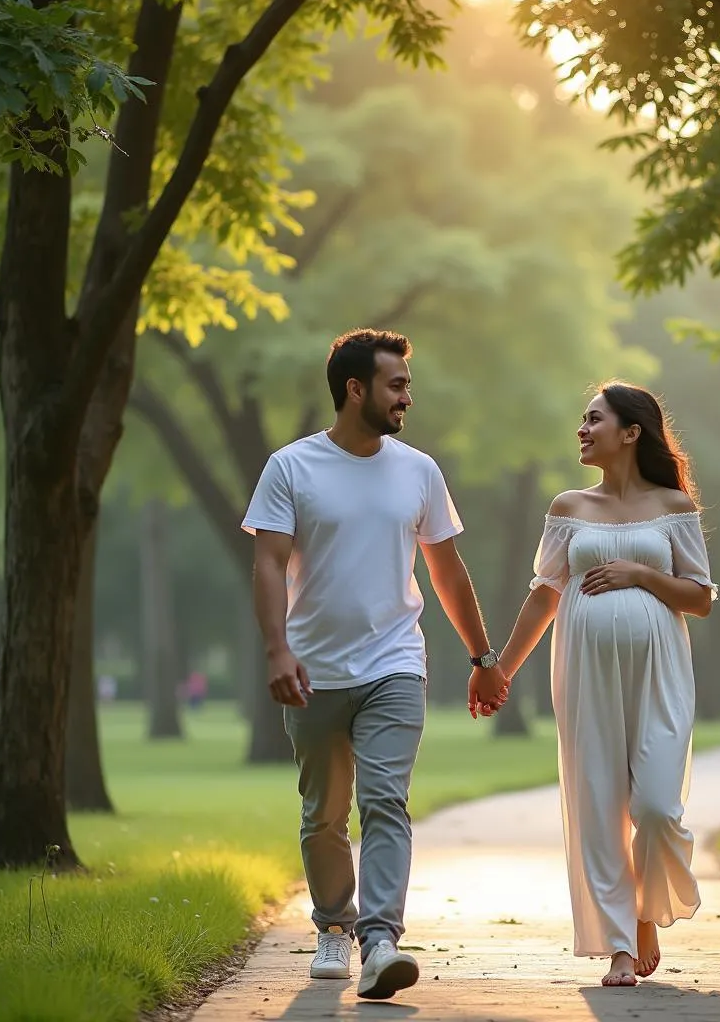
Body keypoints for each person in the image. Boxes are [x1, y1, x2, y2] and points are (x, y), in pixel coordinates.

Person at [242, 328, 508, 1000]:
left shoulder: (418, 470)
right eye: (397, 385)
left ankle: (381, 939)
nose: (407, 398)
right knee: (324, 815)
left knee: (385, 801)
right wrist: (276, 649)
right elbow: (269, 564)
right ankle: (334, 926)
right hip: (313, 671)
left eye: (407, 386)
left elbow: (446, 571)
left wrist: (483, 656)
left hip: (394, 662)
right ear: (355, 388)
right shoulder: (291, 468)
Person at [496, 382, 716, 988]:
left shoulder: (674, 505)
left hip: (659, 675)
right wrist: (501, 670)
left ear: (631, 431)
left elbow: (699, 598)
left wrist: (640, 573)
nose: (582, 429)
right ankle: (621, 943)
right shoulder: (569, 508)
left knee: (655, 808)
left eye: (594, 419)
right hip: (586, 675)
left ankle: (648, 911)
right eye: (582, 420)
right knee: (599, 805)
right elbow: (544, 596)